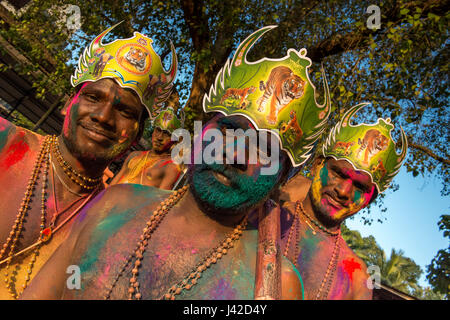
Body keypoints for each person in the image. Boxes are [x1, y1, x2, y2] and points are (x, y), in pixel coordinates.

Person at [22, 26, 332, 300]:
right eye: (228, 130)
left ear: (280, 177)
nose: (234, 155)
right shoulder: (115, 205)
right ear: (200, 133)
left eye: (263, 149)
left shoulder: (277, 287)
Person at [0, 22, 177, 299]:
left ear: (136, 134)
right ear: (68, 103)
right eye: (93, 97)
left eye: (125, 111)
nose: (103, 117)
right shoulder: (5, 143)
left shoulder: (106, 229)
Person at [280, 103, 408, 299]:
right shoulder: (263, 214)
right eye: (338, 173)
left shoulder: (357, 278)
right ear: (316, 166)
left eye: (360, 188)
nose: (343, 191)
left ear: (368, 200)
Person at [110, 107, 183, 190]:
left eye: (166, 134)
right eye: (158, 130)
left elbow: (160, 201)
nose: (159, 137)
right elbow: (112, 185)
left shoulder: (171, 167)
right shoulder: (134, 155)